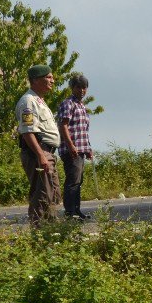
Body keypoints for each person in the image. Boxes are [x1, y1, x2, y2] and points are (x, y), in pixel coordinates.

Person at [15, 64, 62, 226]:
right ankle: (39, 233)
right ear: (35, 80)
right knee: (42, 193)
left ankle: (51, 230)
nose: (52, 81)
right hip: (38, 152)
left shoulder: (39, 101)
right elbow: (27, 131)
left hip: (47, 152)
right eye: (48, 77)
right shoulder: (28, 101)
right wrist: (41, 156)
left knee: (52, 193)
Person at [56, 73, 94, 220]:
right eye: (79, 87)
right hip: (72, 149)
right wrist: (70, 145)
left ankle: (77, 210)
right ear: (72, 88)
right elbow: (63, 125)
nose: (82, 90)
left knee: (78, 181)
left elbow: (83, 130)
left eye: (84, 87)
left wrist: (88, 149)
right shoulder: (68, 103)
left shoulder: (82, 106)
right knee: (73, 181)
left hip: (81, 149)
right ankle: (70, 212)